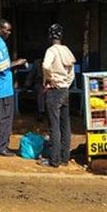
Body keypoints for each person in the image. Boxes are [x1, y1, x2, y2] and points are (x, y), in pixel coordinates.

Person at [0, 19, 26, 156]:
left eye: (9, 30)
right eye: (6, 30)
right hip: (3, 86)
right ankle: (1, 147)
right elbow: (1, 66)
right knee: (5, 118)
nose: (8, 33)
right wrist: (17, 62)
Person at [42, 23, 76, 168]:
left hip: (54, 92)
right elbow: (71, 73)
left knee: (54, 126)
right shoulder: (67, 50)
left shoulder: (51, 51)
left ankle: (54, 160)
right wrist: (65, 83)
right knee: (65, 125)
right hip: (65, 90)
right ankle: (64, 158)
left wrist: (50, 79)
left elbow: (45, 65)